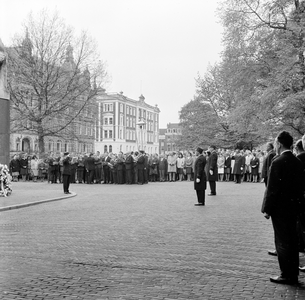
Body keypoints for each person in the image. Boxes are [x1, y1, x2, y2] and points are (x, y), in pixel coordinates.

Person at [261, 131, 304, 285]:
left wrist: (267, 208)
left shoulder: (278, 161)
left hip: (280, 209)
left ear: (279, 143)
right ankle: (293, 273)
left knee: (282, 241)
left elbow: (272, 189)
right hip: (293, 207)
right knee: (292, 241)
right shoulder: (297, 161)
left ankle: (286, 274)